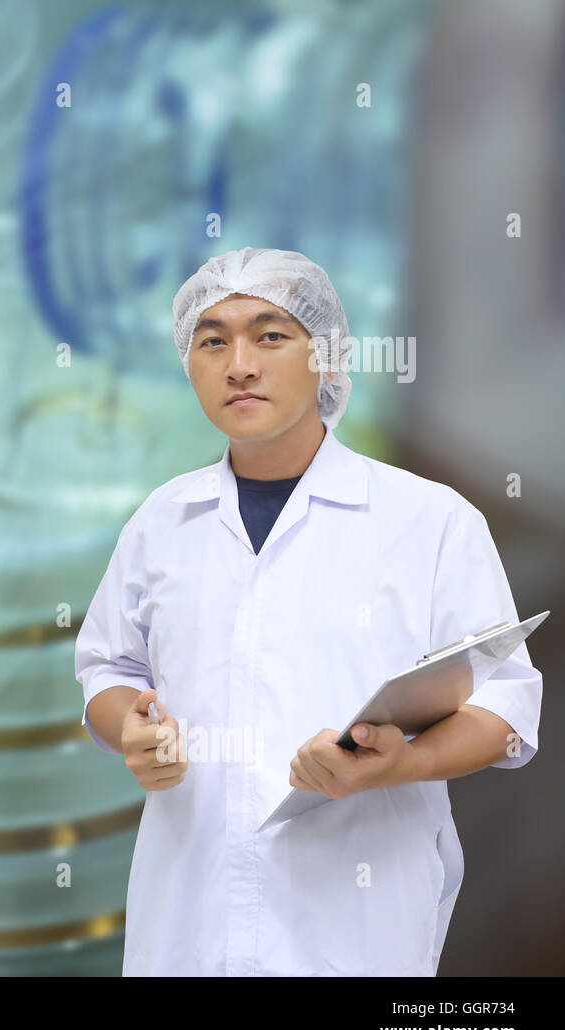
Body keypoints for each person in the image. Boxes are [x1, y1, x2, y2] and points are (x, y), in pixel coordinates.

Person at [74, 247, 544, 977]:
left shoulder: (427, 519)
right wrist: (128, 729)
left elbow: (507, 704)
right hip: (188, 925)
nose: (239, 364)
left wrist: (404, 761)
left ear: (327, 358)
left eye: (270, 335)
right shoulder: (162, 521)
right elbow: (108, 665)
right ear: (189, 363)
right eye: (212, 340)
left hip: (354, 930)